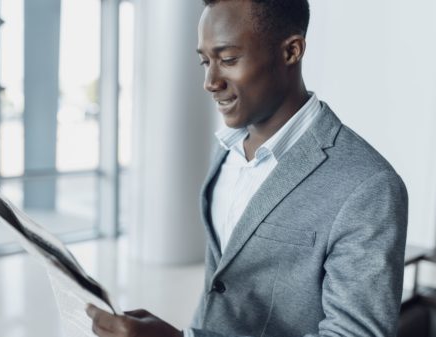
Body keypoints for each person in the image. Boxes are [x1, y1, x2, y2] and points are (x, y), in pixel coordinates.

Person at [86, 0, 409, 336]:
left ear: (291, 51)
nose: (210, 81)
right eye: (205, 61)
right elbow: (224, 284)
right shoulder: (226, 150)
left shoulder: (368, 185)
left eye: (227, 60)